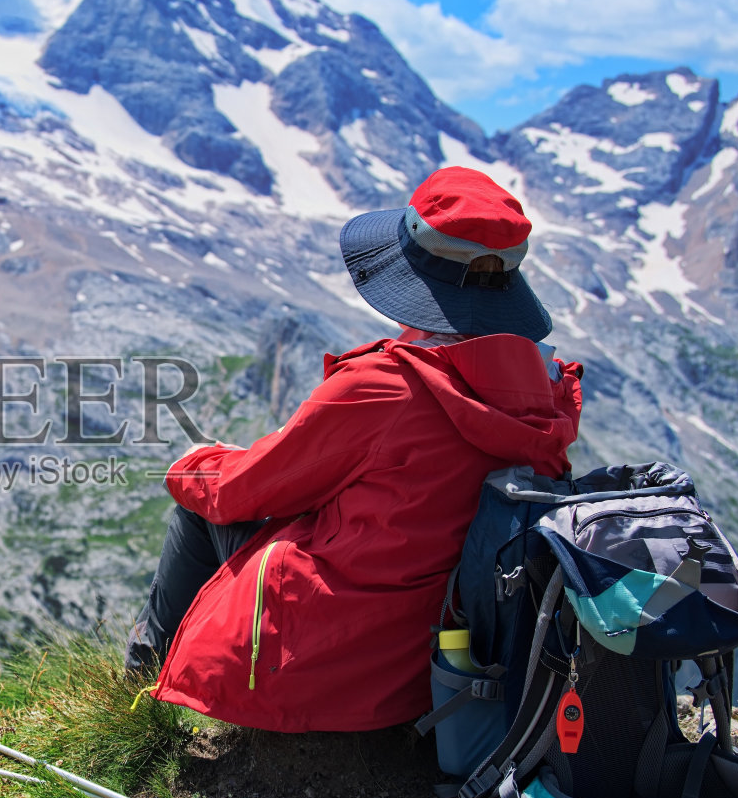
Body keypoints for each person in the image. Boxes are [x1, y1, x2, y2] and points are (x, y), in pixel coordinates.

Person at [125, 166, 583, 733]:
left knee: (195, 509)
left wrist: (188, 466)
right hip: (454, 670)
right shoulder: (545, 395)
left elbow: (240, 491)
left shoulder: (384, 388)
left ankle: (135, 693)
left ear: (414, 275)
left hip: (339, 665)